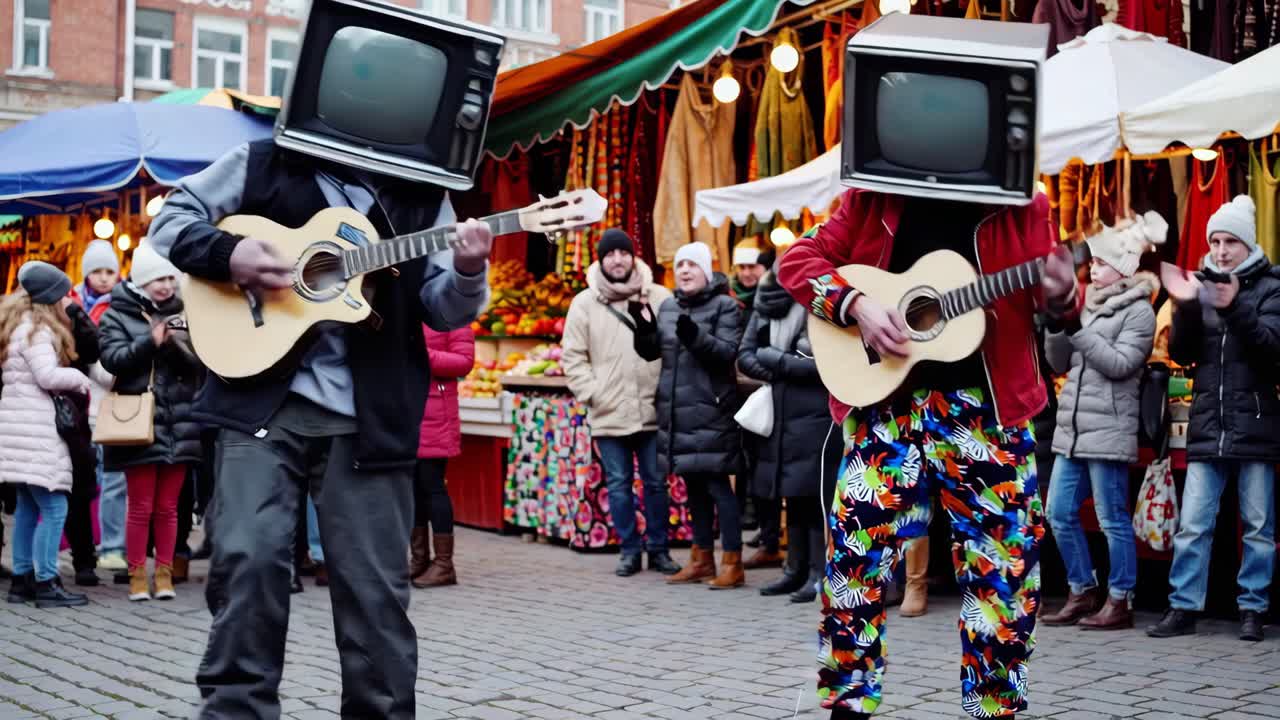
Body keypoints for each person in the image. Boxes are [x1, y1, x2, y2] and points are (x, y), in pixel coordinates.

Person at [148, 136, 492, 716]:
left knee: (373, 591)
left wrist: (466, 269)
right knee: (247, 562)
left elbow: (442, 308)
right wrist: (227, 253)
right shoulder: (262, 161)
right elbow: (173, 216)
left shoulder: (424, 194)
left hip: (368, 420)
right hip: (255, 401)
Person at [777, 191, 1077, 719]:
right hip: (888, 410)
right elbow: (796, 261)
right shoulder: (872, 199)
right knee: (853, 562)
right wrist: (856, 305)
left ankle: (994, 710)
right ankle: (848, 708)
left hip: (986, 414)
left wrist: (1063, 292)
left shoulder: (1023, 205)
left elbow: (1056, 309)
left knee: (1002, 574)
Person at [1149, 195, 1279, 643]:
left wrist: (1231, 305)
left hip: (1257, 425)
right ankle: (1183, 607)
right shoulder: (1201, 285)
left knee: (1258, 526)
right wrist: (1184, 305)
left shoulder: (1271, 286)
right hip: (1208, 424)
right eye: (1215, 241)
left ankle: (1253, 609)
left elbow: (1271, 349)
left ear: (1248, 244)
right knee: (1193, 524)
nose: (1221, 251)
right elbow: (1183, 355)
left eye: (1231, 242)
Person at [1041, 213, 1164, 631]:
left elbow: (1121, 364)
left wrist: (1077, 329)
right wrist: (1058, 328)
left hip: (1109, 427)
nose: (1093, 269)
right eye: (1092, 263)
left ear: (1125, 267)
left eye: (1103, 263)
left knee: (1112, 517)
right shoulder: (1086, 305)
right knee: (1057, 512)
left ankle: (1120, 598)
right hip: (1073, 429)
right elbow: (1059, 364)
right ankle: (1081, 590)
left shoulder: (1139, 312)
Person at [561, 229, 680, 577]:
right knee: (618, 484)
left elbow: (674, 348)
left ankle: (659, 549)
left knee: (657, 483)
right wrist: (593, 393)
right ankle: (629, 550)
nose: (617, 259)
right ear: (601, 259)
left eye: (623, 253)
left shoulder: (658, 297)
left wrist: (668, 392)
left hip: (652, 409)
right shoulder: (584, 303)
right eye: (610, 254)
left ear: (633, 256)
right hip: (608, 409)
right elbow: (573, 356)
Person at [632, 241, 745, 589]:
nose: (684, 271)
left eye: (691, 265)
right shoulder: (667, 306)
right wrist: (644, 328)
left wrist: (694, 335)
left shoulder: (727, 306)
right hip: (676, 412)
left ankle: (733, 561)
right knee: (693, 486)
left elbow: (726, 353)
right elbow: (653, 353)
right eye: (679, 265)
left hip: (711, 409)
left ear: (705, 271)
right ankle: (701, 558)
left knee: (716, 486)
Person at [98, 244, 203, 602]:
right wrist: (149, 342)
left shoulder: (185, 312)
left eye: (170, 278)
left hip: (180, 422)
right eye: (159, 279)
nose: (166, 286)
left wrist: (173, 344)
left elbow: (199, 363)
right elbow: (113, 359)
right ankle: (137, 575)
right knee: (141, 506)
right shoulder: (117, 314)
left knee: (170, 508)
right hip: (138, 423)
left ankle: (165, 574)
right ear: (143, 280)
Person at [737, 262, 841, 603]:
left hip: (815, 412)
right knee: (791, 493)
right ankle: (793, 569)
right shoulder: (767, 299)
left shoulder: (823, 303)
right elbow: (746, 355)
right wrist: (780, 368)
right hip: (780, 410)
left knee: (812, 494)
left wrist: (778, 363)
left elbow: (830, 364)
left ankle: (817, 572)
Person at [0, 262, 93, 608]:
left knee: (26, 506)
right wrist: (79, 380)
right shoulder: (38, 331)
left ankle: (21, 580)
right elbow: (47, 376)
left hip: (17, 428)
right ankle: (46, 581)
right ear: (51, 298)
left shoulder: (15, 327)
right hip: (36, 429)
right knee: (54, 508)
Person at [70, 239, 126, 577]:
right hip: (79, 406)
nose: (104, 278)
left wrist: (93, 365)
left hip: (112, 403)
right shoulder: (72, 303)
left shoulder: (122, 304)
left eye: (109, 271)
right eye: (97, 271)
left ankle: (113, 545)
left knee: (114, 478)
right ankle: (85, 547)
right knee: (82, 481)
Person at [411, 324, 476, 588]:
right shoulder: (407, 306)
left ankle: (444, 564)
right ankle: (419, 559)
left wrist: (419, 354)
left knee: (432, 487)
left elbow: (464, 362)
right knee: (412, 490)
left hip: (436, 414)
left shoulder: (452, 315)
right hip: (407, 413)